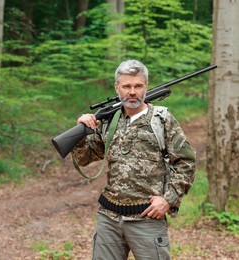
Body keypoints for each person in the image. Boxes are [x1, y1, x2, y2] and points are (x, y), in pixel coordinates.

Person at [71, 60, 196, 260]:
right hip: (108, 218)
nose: (132, 92)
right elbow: (86, 158)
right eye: (127, 86)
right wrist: (81, 133)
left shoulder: (161, 119)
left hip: (146, 219)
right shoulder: (108, 121)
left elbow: (186, 162)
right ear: (117, 87)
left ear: (146, 86)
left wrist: (168, 199)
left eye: (138, 86)